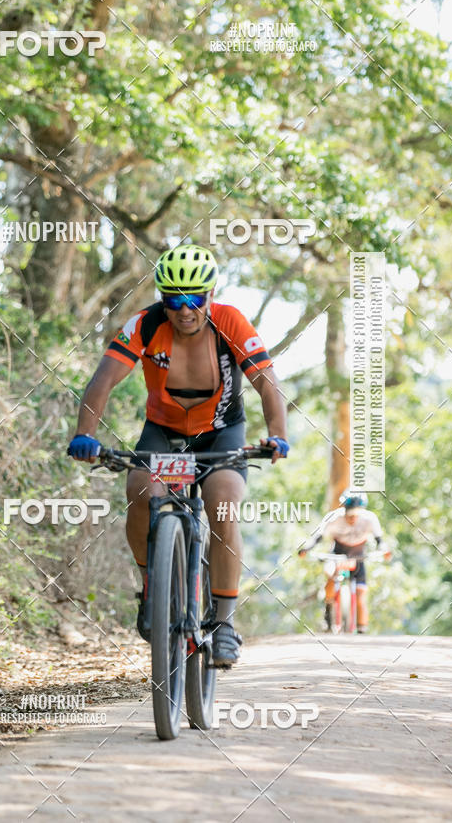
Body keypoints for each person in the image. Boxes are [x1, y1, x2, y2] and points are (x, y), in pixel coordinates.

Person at [68, 244, 288, 665]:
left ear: (210, 295)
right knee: (139, 487)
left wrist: (277, 435)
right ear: (161, 298)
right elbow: (102, 381)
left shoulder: (231, 322)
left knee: (222, 504)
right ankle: (153, 583)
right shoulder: (147, 324)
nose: (184, 309)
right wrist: (85, 434)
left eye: (194, 299)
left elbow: (267, 383)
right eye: (173, 299)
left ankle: (224, 624)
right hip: (164, 432)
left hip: (221, 433)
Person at [298, 491, 391, 633]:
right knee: (330, 575)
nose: (352, 518)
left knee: (361, 594)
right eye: (349, 514)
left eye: (355, 514)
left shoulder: (370, 519)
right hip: (337, 555)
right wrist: (306, 548)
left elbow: (380, 541)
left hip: (358, 557)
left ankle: (362, 629)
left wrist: (385, 551)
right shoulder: (333, 518)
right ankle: (328, 609)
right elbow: (318, 537)